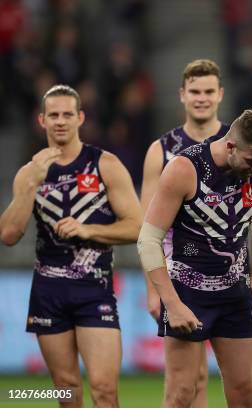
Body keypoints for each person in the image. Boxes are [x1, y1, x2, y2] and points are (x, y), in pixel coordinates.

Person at [137, 108, 252, 408]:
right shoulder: (184, 168)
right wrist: (172, 304)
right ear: (230, 146)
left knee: (246, 394)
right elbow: (148, 240)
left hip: (234, 295)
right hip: (187, 292)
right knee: (180, 396)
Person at [0, 84, 142, 408]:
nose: (60, 121)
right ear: (41, 120)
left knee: (105, 390)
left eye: (67, 114)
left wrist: (88, 229)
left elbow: (137, 226)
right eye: (53, 115)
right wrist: (31, 183)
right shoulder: (29, 173)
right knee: (65, 391)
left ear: (80, 118)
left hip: (94, 291)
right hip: (49, 292)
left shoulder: (105, 164)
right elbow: (8, 234)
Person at [140, 58, 252, 408]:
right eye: (194, 91)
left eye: (209, 91)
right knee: (185, 385)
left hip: (232, 282)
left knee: (246, 383)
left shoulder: (243, 144)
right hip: (180, 279)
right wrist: (158, 293)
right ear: (182, 95)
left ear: (220, 94)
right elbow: (147, 228)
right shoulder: (162, 151)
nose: (201, 98)